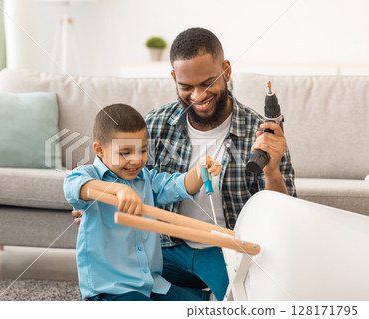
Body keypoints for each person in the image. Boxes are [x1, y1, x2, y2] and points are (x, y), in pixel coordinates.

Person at [143, 27, 297, 300]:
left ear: (226, 70)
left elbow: (284, 219)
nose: (198, 96)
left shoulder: (259, 133)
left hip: (226, 253)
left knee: (255, 300)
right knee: (118, 287)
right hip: (167, 250)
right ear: (173, 78)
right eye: (186, 86)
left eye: (207, 83)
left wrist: (272, 171)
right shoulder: (154, 125)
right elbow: (120, 180)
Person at [64, 103, 222, 301]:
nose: (136, 160)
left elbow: (178, 185)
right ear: (99, 150)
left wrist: (198, 172)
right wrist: (117, 189)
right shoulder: (89, 175)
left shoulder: (145, 179)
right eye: (125, 152)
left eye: (142, 150)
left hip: (152, 284)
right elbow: (72, 186)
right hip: (110, 291)